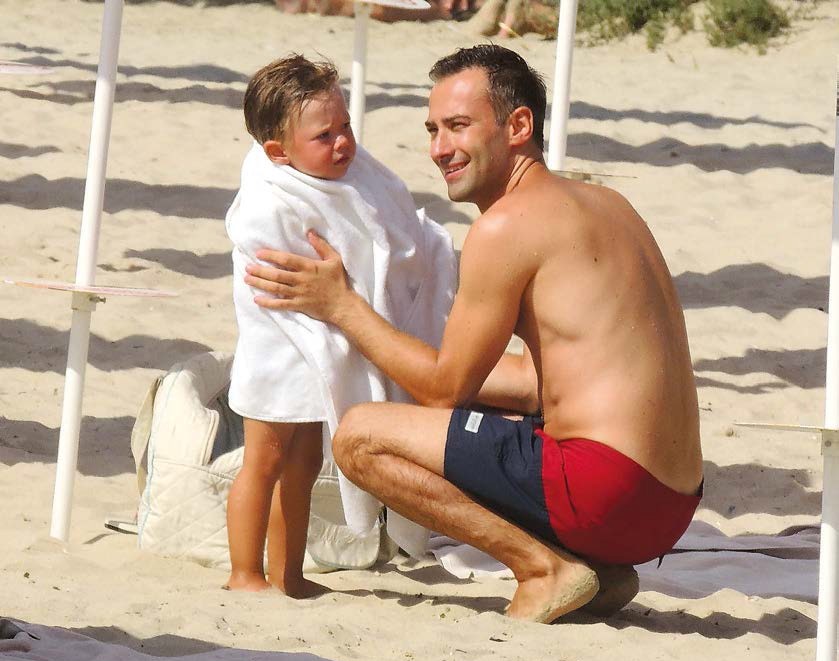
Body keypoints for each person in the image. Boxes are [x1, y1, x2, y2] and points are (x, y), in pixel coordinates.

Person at [243, 45, 703, 622]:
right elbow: (536, 381)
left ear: (518, 126)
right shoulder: (609, 204)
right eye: (433, 130)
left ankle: (543, 567)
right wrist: (401, 360)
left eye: (458, 126)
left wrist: (343, 308)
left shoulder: (506, 226)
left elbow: (444, 390)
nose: (440, 149)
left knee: (360, 436)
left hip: (605, 492)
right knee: (451, 407)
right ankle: (595, 570)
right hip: (670, 505)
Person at [224, 54, 455, 597]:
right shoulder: (267, 199)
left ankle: (288, 574)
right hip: (280, 347)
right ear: (278, 152)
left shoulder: (354, 175)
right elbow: (270, 266)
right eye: (324, 136)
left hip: (322, 346)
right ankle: (244, 571)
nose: (343, 144)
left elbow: (384, 227)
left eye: (345, 126)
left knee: (304, 464)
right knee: (263, 460)